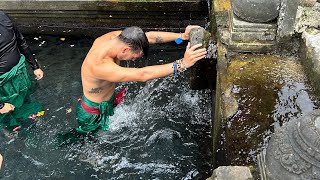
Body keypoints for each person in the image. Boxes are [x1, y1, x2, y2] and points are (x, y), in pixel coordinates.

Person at [75, 25, 207, 134]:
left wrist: (181, 37)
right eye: (134, 57)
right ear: (125, 50)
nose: (134, 60)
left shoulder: (115, 39)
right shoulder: (99, 65)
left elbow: (148, 37)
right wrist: (183, 63)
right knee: (99, 144)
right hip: (93, 115)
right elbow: (142, 74)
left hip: (107, 103)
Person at [0, 11, 44, 131]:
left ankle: (27, 117)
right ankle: (9, 126)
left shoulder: (3, 17)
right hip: (3, 85)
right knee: (7, 109)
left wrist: (35, 66)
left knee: (25, 96)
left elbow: (21, 41)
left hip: (20, 74)